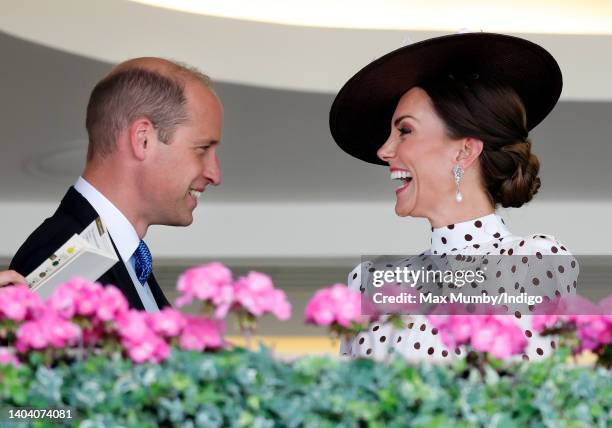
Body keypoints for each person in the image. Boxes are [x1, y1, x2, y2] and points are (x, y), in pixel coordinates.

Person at [330, 33, 579, 361]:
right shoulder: (367, 281)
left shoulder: (532, 259)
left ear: (464, 151)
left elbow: (531, 397)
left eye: (404, 130)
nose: (384, 150)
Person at [10, 58, 223, 311]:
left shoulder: (128, 261)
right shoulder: (63, 260)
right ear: (143, 139)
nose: (215, 174)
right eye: (202, 149)